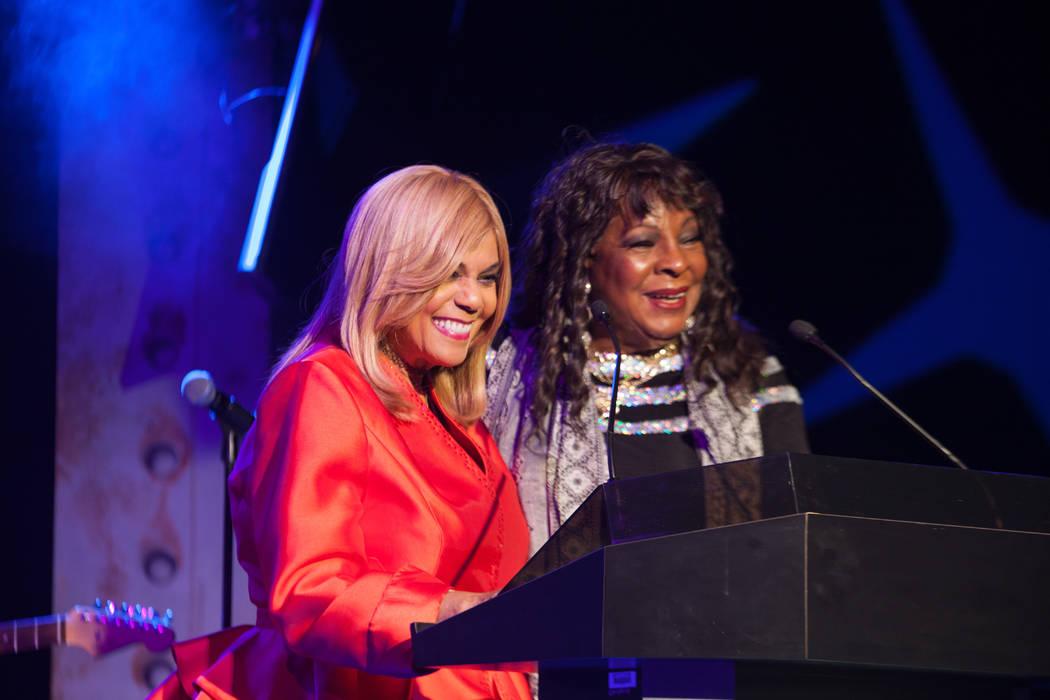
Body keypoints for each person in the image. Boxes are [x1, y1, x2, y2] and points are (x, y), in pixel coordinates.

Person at [150, 165, 532, 699]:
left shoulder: (452, 412)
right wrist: (453, 612)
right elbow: (310, 588)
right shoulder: (323, 385)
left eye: (488, 277)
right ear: (388, 268)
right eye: (448, 273)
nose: (475, 300)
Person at [484, 141, 809, 556]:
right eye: (642, 243)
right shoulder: (506, 374)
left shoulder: (747, 372)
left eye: (690, 238)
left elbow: (800, 540)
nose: (677, 262)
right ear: (584, 261)